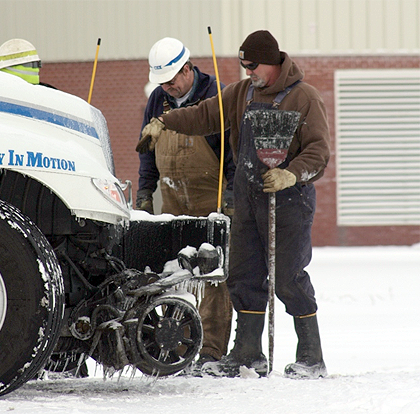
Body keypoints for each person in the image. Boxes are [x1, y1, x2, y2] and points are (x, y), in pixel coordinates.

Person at [136, 30, 330, 379]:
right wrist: (164, 122)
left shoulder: (304, 97)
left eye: (252, 65)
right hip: (247, 198)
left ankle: (311, 356)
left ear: (272, 61)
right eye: (243, 65)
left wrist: (291, 174)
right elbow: (203, 115)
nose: (247, 72)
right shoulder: (241, 93)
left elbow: (318, 152)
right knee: (244, 275)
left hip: (288, 200)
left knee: (288, 278)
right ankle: (247, 354)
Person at [136, 37, 235, 373]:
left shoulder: (217, 96)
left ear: (189, 68)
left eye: (174, 79)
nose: (170, 87)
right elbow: (147, 152)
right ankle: (179, 345)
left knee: (211, 275)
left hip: (211, 196)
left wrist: (231, 196)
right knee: (174, 273)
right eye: (163, 82)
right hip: (173, 198)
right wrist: (145, 192)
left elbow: (233, 153)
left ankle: (211, 351)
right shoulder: (157, 101)